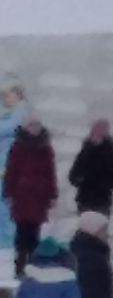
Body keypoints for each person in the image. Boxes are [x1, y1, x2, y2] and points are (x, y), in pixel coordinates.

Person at [3, 115, 58, 277]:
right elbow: (11, 171)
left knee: (35, 233)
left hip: (39, 197)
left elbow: (50, 173)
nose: (35, 128)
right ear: (26, 128)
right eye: (32, 125)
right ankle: (19, 265)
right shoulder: (18, 147)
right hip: (22, 196)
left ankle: (33, 265)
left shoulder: (45, 148)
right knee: (22, 232)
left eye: (37, 125)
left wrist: (52, 194)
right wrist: (9, 191)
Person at [68, 119, 113, 215]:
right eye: (96, 131)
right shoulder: (85, 151)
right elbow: (73, 176)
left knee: (99, 228)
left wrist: (105, 184)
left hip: (103, 201)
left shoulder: (111, 153)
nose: (98, 135)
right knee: (85, 229)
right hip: (85, 199)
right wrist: (81, 180)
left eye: (102, 131)